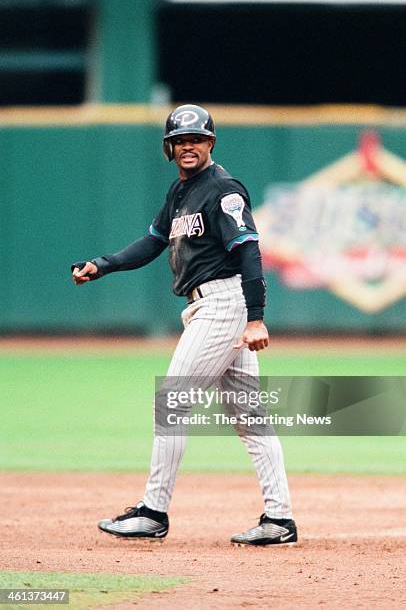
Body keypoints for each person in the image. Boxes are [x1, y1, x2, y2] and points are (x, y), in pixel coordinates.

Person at [72, 104, 297, 546]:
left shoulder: (223, 189)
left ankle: (153, 512)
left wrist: (256, 318)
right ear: (169, 147)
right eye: (180, 140)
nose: (187, 146)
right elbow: (153, 242)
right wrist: (104, 265)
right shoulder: (180, 193)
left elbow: (250, 250)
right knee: (250, 418)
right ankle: (280, 520)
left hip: (224, 305)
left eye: (196, 139)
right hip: (207, 306)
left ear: (210, 143)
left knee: (172, 401)